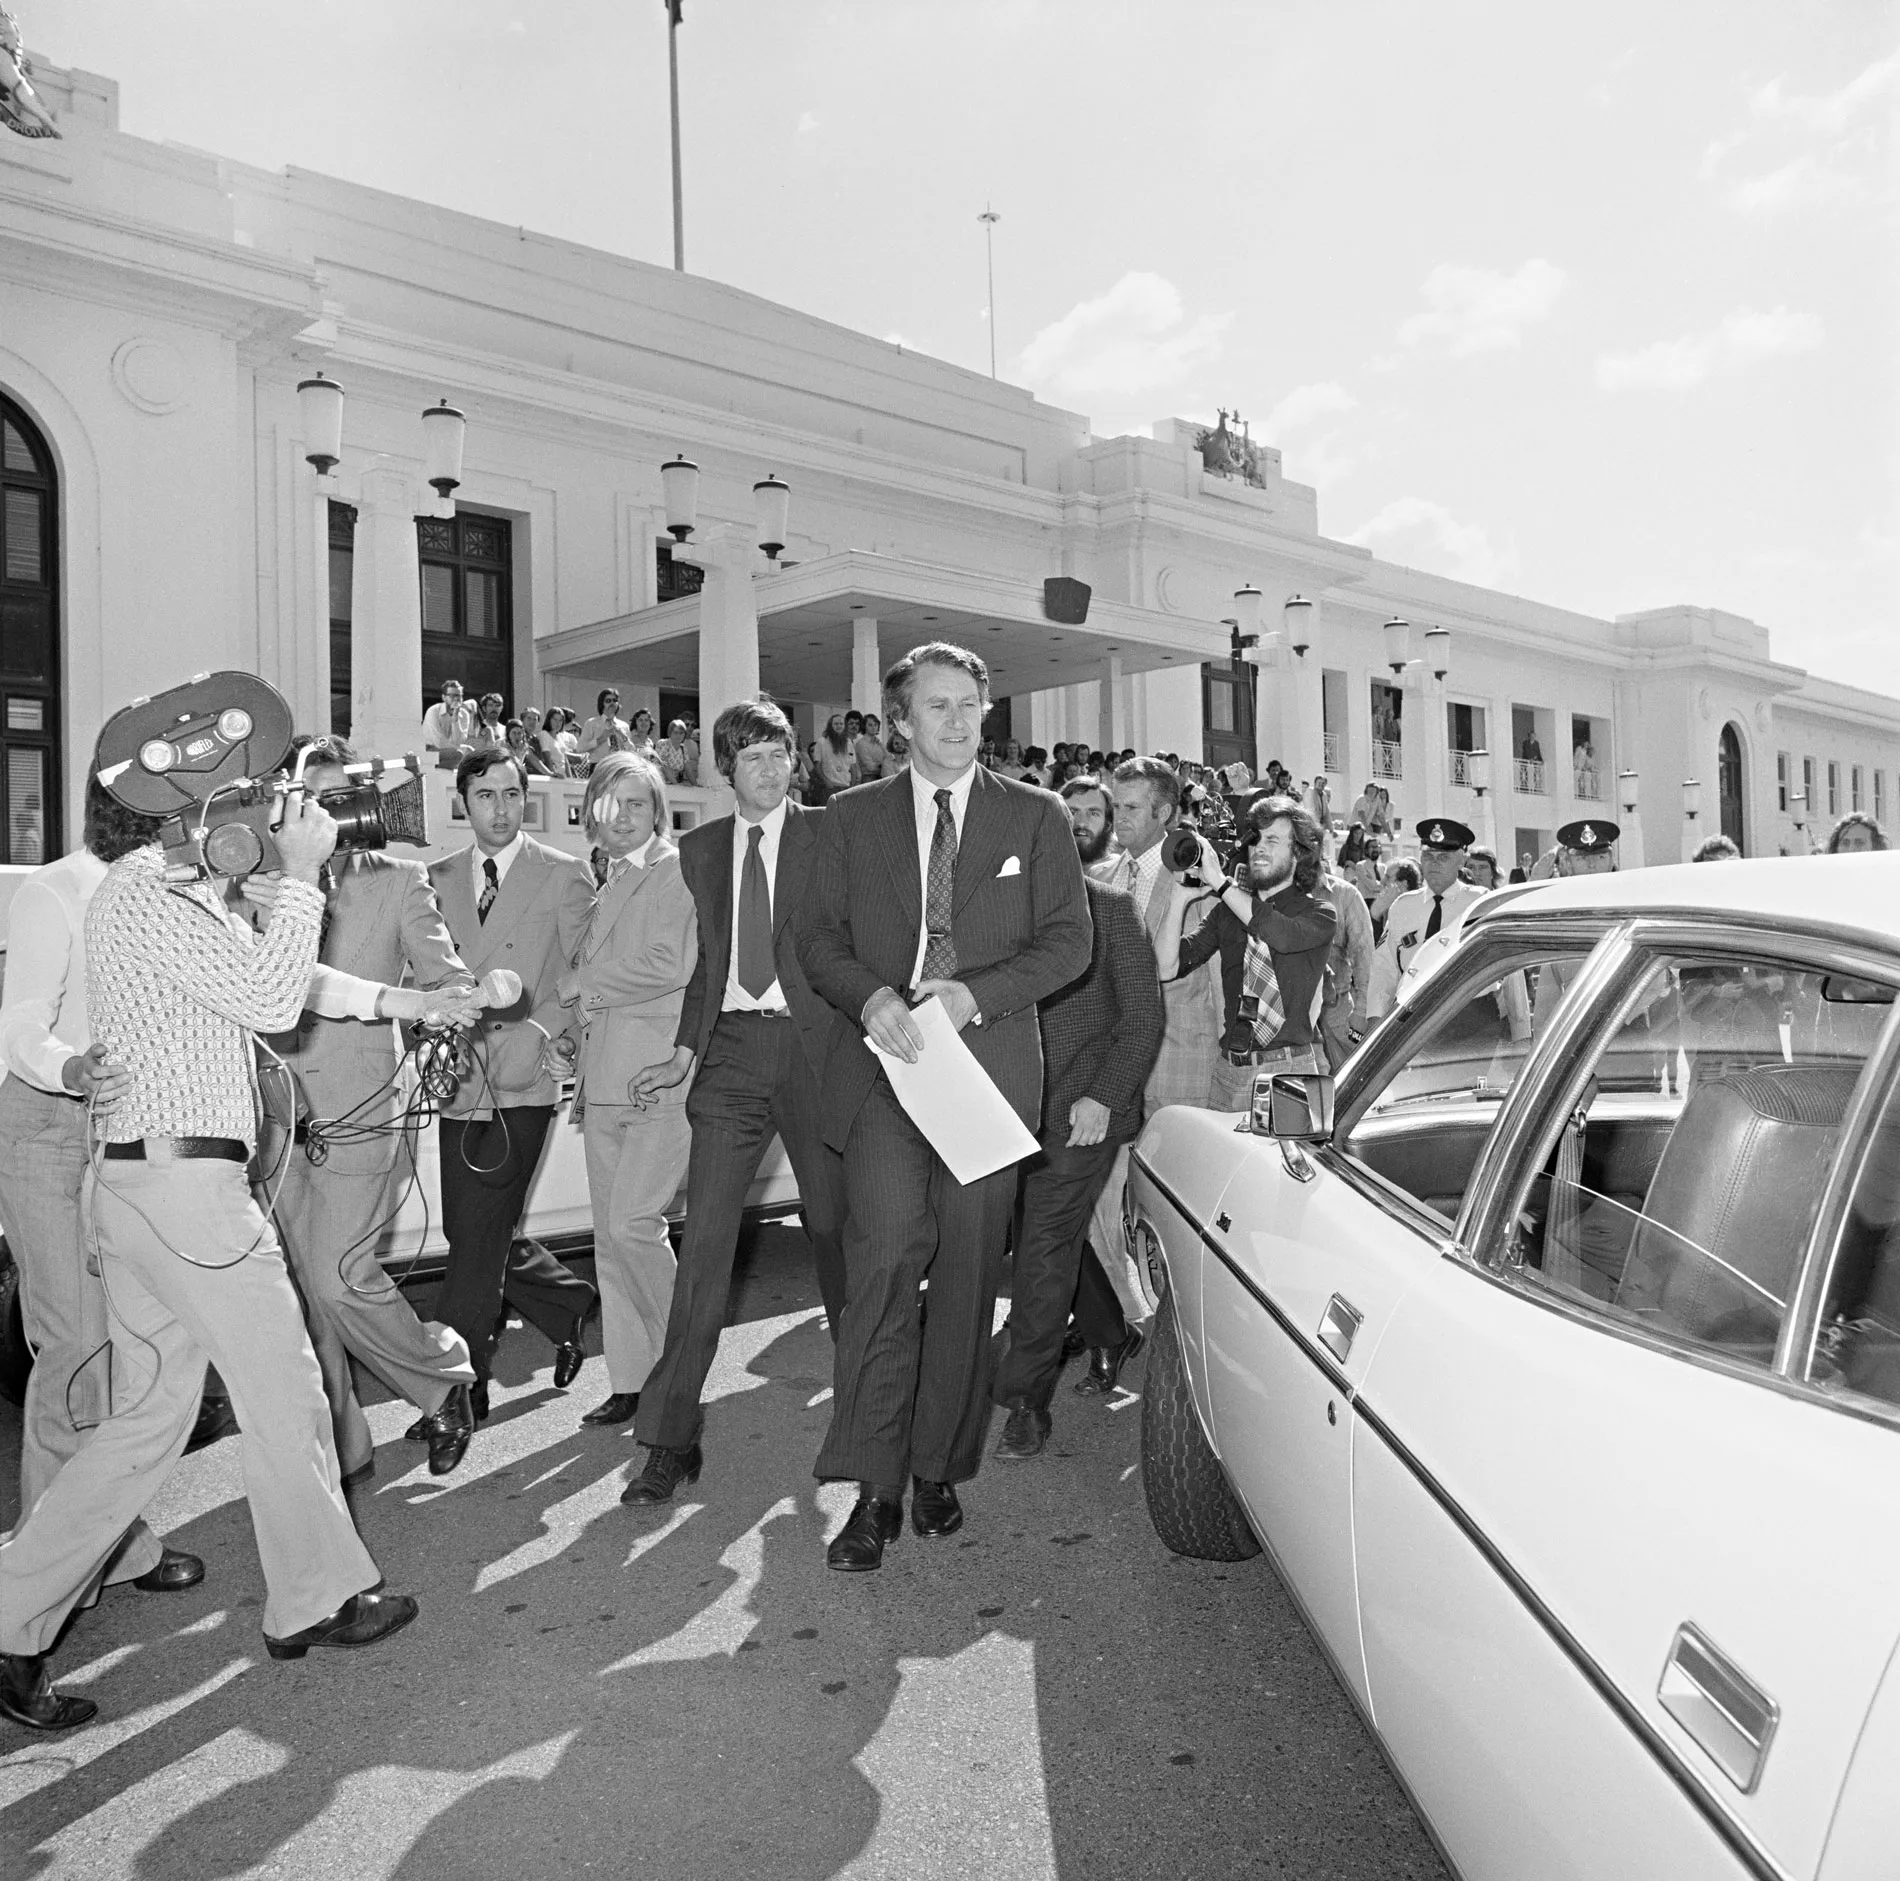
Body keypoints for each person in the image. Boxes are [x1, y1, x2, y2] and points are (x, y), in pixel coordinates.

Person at [1, 760, 415, 1734]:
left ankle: (12, 1619)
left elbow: (270, 965)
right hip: (187, 1192)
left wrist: (403, 1000)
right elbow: (273, 999)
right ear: (171, 817)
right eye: (217, 801)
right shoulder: (148, 895)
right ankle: (315, 1596)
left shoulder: (160, 894)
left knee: (144, 1422)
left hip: (142, 1188)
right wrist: (306, 871)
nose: (238, 816)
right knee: (286, 1388)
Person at [795, 641, 1091, 1571]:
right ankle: (874, 1486)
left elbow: (1069, 944)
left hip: (988, 1075)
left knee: (966, 1276)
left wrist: (976, 993)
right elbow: (816, 935)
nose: (958, 721)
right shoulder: (850, 818)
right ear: (900, 722)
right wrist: (870, 995)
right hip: (889, 1069)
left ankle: (938, 1467)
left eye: (970, 704)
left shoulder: (1034, 816)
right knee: (884, 1259)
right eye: (937, 706)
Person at [619, 699, 849, 1505]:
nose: (768, 765)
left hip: (819, 1056)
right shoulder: (701, 847)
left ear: (796, 759)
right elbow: (703, 962)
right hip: (732, 1056)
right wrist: (684, 1050)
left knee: (834, 1234)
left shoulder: (832, 835)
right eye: (750, 754)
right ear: (725, 768)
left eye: (779, 751)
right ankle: (668, 1437)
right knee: (705, 1249)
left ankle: (865, 1416)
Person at [0, 780, 206, 1649]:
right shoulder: (57, 888)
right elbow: (16, 1023)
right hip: (51, 1126)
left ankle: (112, 1547)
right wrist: (73, 1068)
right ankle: (38, 1593)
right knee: (76, 1347)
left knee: (131, 1351)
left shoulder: (166, 890)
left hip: (132, 1129)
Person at [264, 739, 497, 1482]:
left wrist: (454, 1002)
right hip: (273, 1117)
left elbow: (444, 974)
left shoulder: (399, 882)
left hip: (363, 1111)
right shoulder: (258, 882)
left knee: (339, 1273)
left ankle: (439, 1381)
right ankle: (343, 1439)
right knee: (303, 1289)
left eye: (340, 798)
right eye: (313, 798)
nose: (327, 813)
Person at [427, 751, 599, 1427]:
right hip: (457, 1073)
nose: (498, 807)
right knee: (468, 1226)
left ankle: (458, 1386)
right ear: (463, 803)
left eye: (509, 794)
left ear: (524, 801)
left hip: (523, 1079)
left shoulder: (562, 874)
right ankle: (566, 1301)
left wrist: (552, 1035)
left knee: (476, 1235)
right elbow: (424, 970)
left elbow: (583, 967)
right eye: (484, 794)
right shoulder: (435, 878)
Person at [991, 782, 1162, 1457]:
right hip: (1005, 1112)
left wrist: (1103, 1095)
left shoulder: (1113, 911)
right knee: (1041, 1237)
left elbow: (1142, 1017)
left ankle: (1026, 1400)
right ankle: (1110, 1330)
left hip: (1083, 1114)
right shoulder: (995, 919)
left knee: (1040, 1245)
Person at [560, 753, 698, 1426]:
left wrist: (585, 985)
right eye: (610, 804)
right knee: (610, 1240)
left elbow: (671, 962)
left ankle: (683, 1360)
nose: (622, 816)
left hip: (655, 1077)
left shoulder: (673, 870)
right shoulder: (606, 876)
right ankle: (632, 1377)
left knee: (632, 1226)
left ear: (657, 811)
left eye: (636, 804)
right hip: (604, 1078)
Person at [1170, 798, 1338, 1110]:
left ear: (1299, 852)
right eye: (1255, 839)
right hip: (1229, 1071)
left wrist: (1221, 883)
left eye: (1273, 840)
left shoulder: (1320, 912)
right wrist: (1179, 898)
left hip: (1288, 1072)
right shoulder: (1228, 911)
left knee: (1285, 1161)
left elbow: (1280, 936)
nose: (1259, 847)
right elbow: (1169, 966)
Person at [1105, 757, 1223, 1115]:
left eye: (1132, 807)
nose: (1119, 816)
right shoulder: (1102, 875)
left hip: (1182, 1059)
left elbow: (1219, 966)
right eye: (1115, 806)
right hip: (1113, 1066)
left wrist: (1226, 1048)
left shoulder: (1197, 872)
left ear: (1164, 812)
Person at [1369, 821, 1483, 1019]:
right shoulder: (1403, 906)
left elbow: (1508, 977)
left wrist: (1520, 1028)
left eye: (1444, 857)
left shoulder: (1480, 902)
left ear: (1461, 861)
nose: (1434, 863)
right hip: (1413, 1018)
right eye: (1428, 856)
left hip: (1469, 1016)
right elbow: (1384, 969)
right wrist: (1374, 1018)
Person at [1318, 841, 1375, 1071]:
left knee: (1357, 1076)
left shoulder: (1345, 895)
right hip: (1290, 1016)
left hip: (1338, 1009)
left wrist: (1361, 1011)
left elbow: (1364, 957)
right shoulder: (1275, 891)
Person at [577, 688, 631, 768]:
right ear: (602, 704)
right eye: (608, 701)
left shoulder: (624, 725)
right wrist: (600, 740)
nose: (612, 703)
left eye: (615, 700)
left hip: (619, 767)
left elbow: (632, 751)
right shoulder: (591, 723)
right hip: (599, 766)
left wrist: (623, 737)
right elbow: (580, 748)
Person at [421, 679, 474, 757]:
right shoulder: (434, 711)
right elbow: (438, 742)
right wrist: (456, 749)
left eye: (459, 695)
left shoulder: (464, 714)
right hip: (430, 749)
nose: (456, 699)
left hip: (450, 749)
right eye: (452, 695)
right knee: (458, 754)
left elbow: (459, 741)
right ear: (444, 697)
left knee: (470, 751)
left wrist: (455, 719)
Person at [655, 717, 697, 786]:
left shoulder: (683, 748)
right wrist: (676, 785)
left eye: (681, 733)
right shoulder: (663, 744)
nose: (678, 735)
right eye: (675, 732)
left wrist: (696, 785)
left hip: (675, 784)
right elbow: (665, 766)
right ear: (670, 733)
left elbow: (688, 769)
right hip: (662, 784)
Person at [854, 713, 890, 781]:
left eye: (875, 725)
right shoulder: (861, 744)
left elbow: (890, 759)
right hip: (869, 778)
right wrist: (884, 765)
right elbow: (870, 767)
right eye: (870, 725)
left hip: (883, 777)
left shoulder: (879, 743)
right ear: (864, 726)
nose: (874, 728)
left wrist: (884, 765)